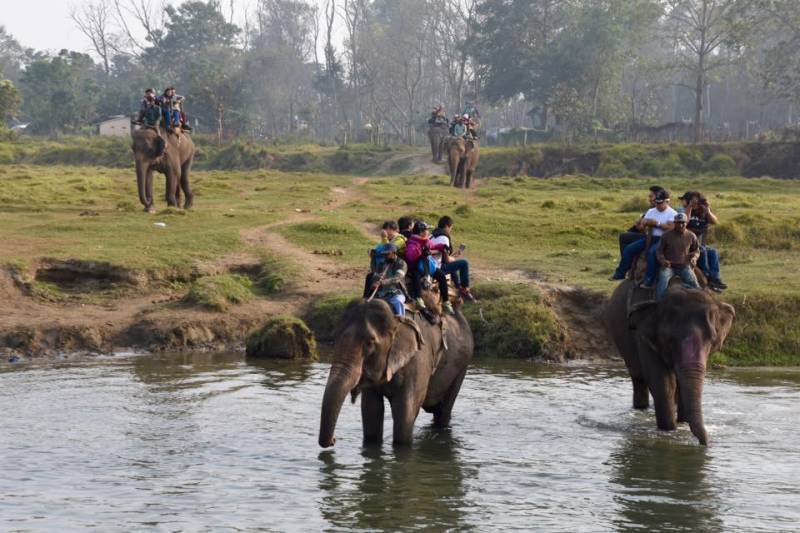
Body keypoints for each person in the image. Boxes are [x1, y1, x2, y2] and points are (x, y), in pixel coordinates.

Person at [609, 189, 677, 288]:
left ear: (667, 201)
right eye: (656, 203)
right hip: (649, 237)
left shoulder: (672, 213)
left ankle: (648, 280)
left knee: (652, 253)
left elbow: (671, 228)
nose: (658, 205)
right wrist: (640, 224)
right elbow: (641, 228)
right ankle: (621, 273)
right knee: (629, 249)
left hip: (663, 240)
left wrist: (656, 223)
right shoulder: (650, 211)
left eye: (660, 203)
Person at [678, 191, 727, 290]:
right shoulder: (681, 211)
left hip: (699, 243)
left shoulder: (702, 212)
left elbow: (715, 221)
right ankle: (705, 275)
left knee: (713, 252)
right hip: (685, 243)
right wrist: (690, 207)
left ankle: (715, 278)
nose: (682, 202)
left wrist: (708, 210)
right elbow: (684, 221)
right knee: (703, 251)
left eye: (684, 200)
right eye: (691, 201)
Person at [405, 220, 452, 313]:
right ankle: (419, 299)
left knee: (441, 276)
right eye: (426, 230)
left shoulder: (425, 241)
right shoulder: (412, 243)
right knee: (416, 276)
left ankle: (446, 301)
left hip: (427, 265)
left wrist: (442, 247)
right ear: (421, 232)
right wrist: (421, 253)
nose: (428, 232)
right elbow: (410, 256)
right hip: (415, 266)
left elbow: (433, 246)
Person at [655, 212, 701, 300]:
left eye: (683, 222)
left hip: (684, 266)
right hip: (669, 266)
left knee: (696, 285)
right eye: (678, 222)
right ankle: (659, 303)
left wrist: (694, 257)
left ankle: (698, 299)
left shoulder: (691, 236)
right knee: (663, 284)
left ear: (686, 223)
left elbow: (696, 250)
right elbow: (659, 251)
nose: (680, 225)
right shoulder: (666, 235)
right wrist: (663, 261)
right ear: (674, 223)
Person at [430, 216, 475, 302]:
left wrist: (453, 256)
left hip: (430, 263)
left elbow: (442, 255)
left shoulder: (432, 235)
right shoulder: (444, 238)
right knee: (464, 263)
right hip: (436, 268)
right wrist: (453, 258)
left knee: (453, 264)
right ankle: (465, 288)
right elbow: (446, 260)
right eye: (451, 228)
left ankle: (458, 286)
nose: (450, 230)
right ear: (447, 226)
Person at [618, 185, 665, 255]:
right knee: (628, 234)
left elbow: (643, 227)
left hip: (654, 238)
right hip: (648, 235)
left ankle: (626, 262)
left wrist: (642, 224)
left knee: (624, 237)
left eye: (651, 196)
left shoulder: (658, 210)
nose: (649, 199)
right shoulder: (652, 209)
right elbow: (640, 226)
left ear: (658, 197)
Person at [367, 244, 408, 317]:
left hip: (397, 293)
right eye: (384, 254)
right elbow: (375, 275)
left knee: (398, 302)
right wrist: (376, 277)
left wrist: (382, 282)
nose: (386, 256)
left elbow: (397, 278)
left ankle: (402, 320)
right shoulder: (382, 264)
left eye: (388, 254)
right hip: (382, 293)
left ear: (394, 252)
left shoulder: (402, 264)